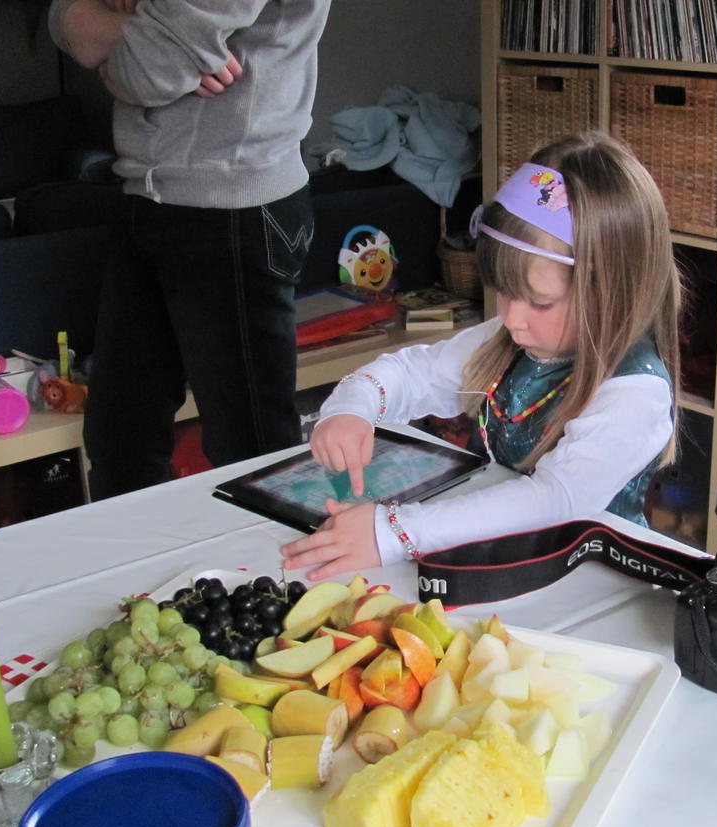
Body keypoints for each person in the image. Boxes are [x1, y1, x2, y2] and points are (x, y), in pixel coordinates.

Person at [281, 131, 683, 579]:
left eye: (540, 302)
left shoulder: (634, 393)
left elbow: (556, 499)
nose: (511, 318)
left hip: (593, 581)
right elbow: (410, 373)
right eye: (504, 292)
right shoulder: (513, 338)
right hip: (502, 566)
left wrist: (396, 530)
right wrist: (352, 408)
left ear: (613, 293)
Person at [48, 0, 331, 499]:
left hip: (234, 206)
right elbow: (62, 19)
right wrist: (130, 30)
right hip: (146, 195)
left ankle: (274, 555)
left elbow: (143, 74)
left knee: (253, 455)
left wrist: (117, 37)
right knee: (119, 437)